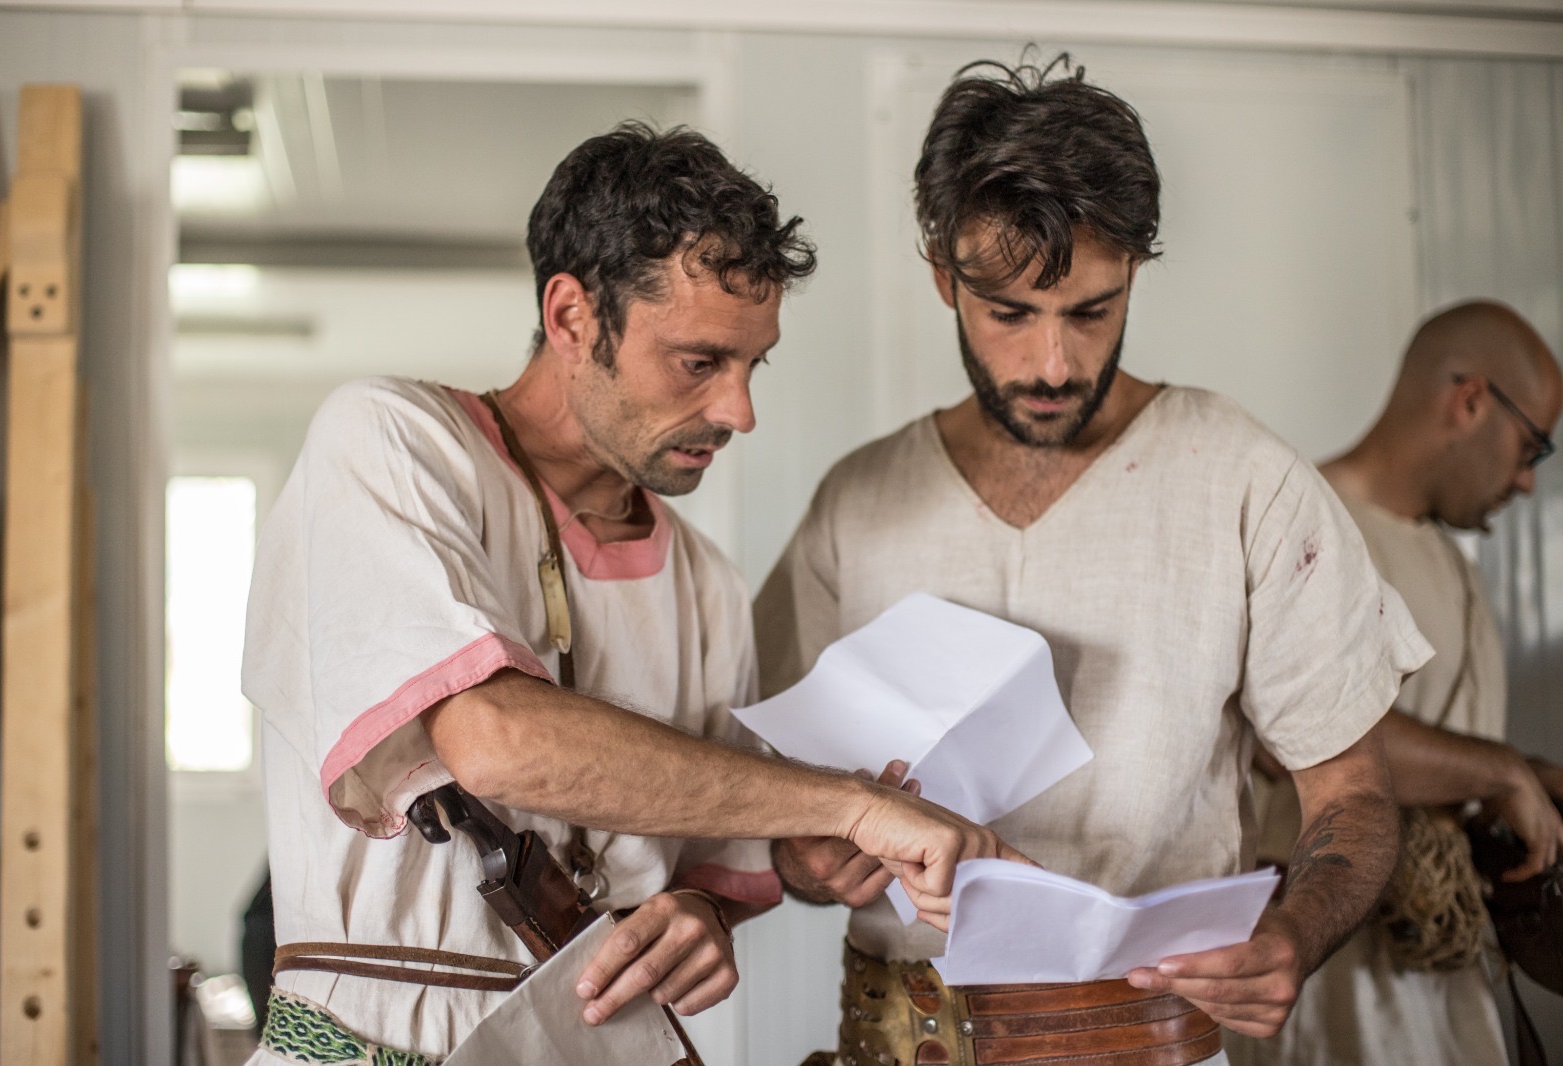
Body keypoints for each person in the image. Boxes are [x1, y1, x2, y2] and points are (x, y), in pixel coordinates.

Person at [240, 122, 1018, 1063]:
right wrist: (848, 804)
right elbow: (491, 740)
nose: (739, 411)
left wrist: (703, 912)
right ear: (572, 317)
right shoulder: (390, 442)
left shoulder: (709, 585)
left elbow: (711, 872)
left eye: (753, 364)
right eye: (699, 362)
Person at [756, 56, 1429, 1066]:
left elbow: (1354, 796)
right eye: (1009, 314)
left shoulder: (1244, 479)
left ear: (1134, 275)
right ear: (942, 276)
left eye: (1089, 311)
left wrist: (1298, 930)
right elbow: (774, 809)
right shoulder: (857, 504)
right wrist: (804, 860)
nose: (1052, 365)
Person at [1230, 301, 1563, 1066]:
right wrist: (1500, 771)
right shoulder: (1299, 525)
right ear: (1471, 401)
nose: (1526, 482)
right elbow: (1292, 738)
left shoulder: (1447, 557)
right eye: (1531, 447)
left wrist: (1526, 777)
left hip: (1446, 963)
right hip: (1338, 982)